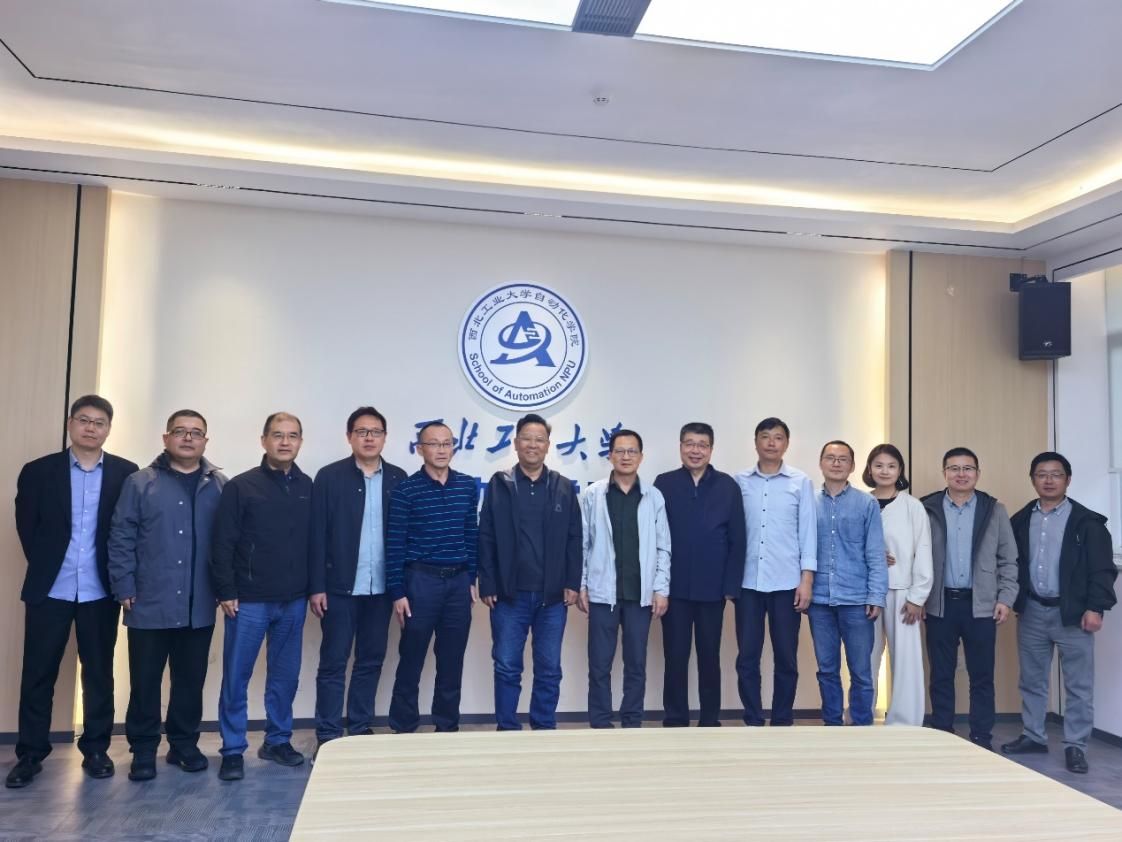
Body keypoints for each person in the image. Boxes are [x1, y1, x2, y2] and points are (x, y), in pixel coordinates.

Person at [7, 395, 138, 789]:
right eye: (84, 420)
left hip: (100, 590)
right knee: (38, 673)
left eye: (99, 422)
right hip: (51, 588)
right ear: (70, 424)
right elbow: (27, 527)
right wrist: (48, 565)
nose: (91, 428)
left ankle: (96, 750)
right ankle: (30, 755)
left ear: (108, 429)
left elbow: (128, 531)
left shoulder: (125, 473)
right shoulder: (38, 471)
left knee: (98, 674)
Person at [108, 410, 226, 781]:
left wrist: (225, 589)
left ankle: (183, 745)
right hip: (149, 600)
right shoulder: (140, 482)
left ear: (205, 441)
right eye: (180, 431)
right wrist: (124, 584)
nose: (188, 438)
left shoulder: (220, 485)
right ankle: (143, 750)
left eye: (196, 432)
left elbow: (228, 543)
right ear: (166, 438)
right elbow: (121, 535)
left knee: (190, 681)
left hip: (198, 602)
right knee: (145, 682)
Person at [210, 412, 313, 781]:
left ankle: (277, 741)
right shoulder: (242, 486)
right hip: (249, 600)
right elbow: (222, 542)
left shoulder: (307, 486)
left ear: (300, 442)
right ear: (264, 441)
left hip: (293, 600)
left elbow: (314, 543)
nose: (285, 442)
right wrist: (225, 590)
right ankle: (232, 749)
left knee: (285, 677)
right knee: (236, 677)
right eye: (278, 435)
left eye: (292, 436)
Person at [1001, 452, 1117, 774]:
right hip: (1032, 611)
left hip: (1074, 615)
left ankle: (1076, 746)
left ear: (1068, 480)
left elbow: (1102, 569)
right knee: (1032, 681)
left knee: (1078, 685)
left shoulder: (1088, 523)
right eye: (1042, 474)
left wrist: (1096, 607)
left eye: (1056, 474)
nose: (1049, 480)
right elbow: (1009, 563)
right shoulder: (1020, 520)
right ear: (1033, 480)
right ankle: (1033, 736)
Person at [308, 407, 406, 756]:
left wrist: (400, 588)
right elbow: (317, 535)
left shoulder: (398, 478)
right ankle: (329, 735)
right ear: (349, 437)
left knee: (371, 660)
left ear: (384, 438)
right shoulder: (329, 477)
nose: (368, 438)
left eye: (375, 432)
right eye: (361, 431)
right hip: (339, 588)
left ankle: (360, 727)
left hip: (381, 589)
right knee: (333, 663)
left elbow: (404, 537)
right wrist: (316, 585)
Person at [478, 413, 582, 731]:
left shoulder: (562, 487)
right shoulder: (500, 484)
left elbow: (574, 538)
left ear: (548, 445)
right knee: (507, 666)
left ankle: (544, 729)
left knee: (549, 669)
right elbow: (486, 535)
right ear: (516, 443)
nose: (532, 445)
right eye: (527, 438)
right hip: (510, 595)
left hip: (552, 597)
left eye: (539, 439)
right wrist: (488, 583)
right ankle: (508, 729)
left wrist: (572, 582)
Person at [922, 447, 1018, 751]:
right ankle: (943, 732)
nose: (961, 474)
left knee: (982, 675)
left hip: (982, 605)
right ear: (944, 473)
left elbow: (1009, 559)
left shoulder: (994, 509)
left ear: (977, 473)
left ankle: (981, 737)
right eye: (954, 468)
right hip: (939, 604)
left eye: (968, 468)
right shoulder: (927, 508)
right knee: (941, 674)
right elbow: (915, 555)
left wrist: (1005, 598)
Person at [386, 421, 479, 733]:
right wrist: (397, 591)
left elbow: (471, 534)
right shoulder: (406, 490)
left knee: (452, 660)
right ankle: (404, 727)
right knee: (411, 658)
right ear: (420, 449)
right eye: (434, 444)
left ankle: (447, 727)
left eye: (446, 443)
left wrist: (471, 578)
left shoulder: (466, 486)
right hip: (420, 582)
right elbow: (395, 543)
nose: (441, 450)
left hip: (458, 582)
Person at [654, 422, 745, 727]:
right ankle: (676, 718)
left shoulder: (727, 486)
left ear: (711, 449)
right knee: (675, 656)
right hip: (674, 588)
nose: (695, 450)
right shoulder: (664, 483)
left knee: (709, 656)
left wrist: (731, 585)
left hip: (712, 588)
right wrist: (658, 585)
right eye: (690, 444)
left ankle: (709, 719)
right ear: (681, 447)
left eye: (702, 445)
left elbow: (738, 539)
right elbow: (655, 535)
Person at [578, 429, 670, 728]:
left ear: (641, 457)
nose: (626, 456)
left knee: (636, 665)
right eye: (620, 451)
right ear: (610, 456)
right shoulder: (594, 495)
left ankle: (632, 722)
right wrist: (582, 584)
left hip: (639, 594)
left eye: (632, 451)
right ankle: (600, 723)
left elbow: (663, 547)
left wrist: (661, 589)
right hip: (602, 594)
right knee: (599, 665)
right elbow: (582, 544)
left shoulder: (653, 496)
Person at [734, 418, 816, 727]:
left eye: (778, 437)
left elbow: (808, 532)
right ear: (755, 442)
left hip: (787, 583)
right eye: (765, 437)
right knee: (747, 658)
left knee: (786, 657)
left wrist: (806, 580)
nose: (771, 443)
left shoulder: (800, 481)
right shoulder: (739, 482)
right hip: (748, 583)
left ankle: (782, 720)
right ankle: (752, 719)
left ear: (786, 444)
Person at [808, 441, 887, 726]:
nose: (836, 463)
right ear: (821, 463)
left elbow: (875, 552)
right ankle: (832, 726)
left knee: (861, 672)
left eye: (843, 459)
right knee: (826, 670)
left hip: (857, 601)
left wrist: (876, 596)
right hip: (819, 601)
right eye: (830, 457)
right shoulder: (808, 502)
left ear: (852, 466)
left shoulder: (867, 503)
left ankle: (862, 727)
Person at [862, 444, 932, 726]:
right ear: (869, 469)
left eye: (891, 466)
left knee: (906, 661)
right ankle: (861, 716)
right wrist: (871, 554)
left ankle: (904, 722)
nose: (885, 471)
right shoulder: (860, 502)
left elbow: (923, 550)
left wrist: (917, 597)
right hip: (865, 592)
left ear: (900, 470)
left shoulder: (912, 506)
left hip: (903, 592)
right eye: (878, 465)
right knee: (863, 658)